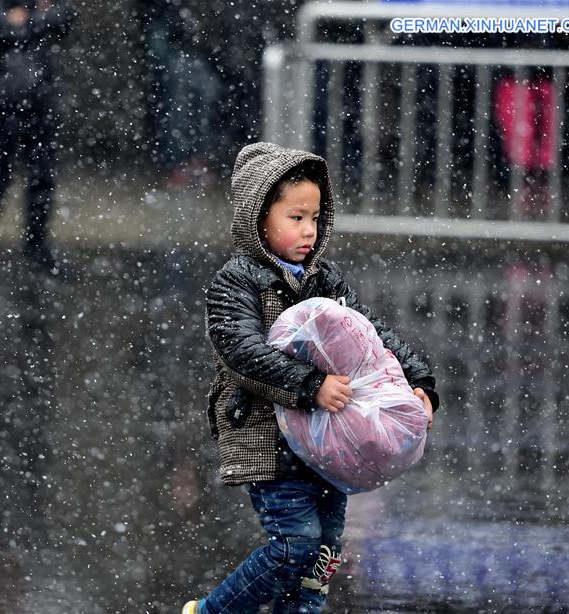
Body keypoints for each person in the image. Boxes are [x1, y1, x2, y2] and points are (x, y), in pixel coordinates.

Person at [182, 142, 440, 614]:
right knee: (293, 546)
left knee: (320, 559)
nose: (308, 230)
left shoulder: (325, 278)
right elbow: (241, 351)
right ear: (259, 218)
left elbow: (372, 336)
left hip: (334, 442)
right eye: (295, 217)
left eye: (315, 218)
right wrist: (309, 385)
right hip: (269, 435)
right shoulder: (236, 282)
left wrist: (418, 381)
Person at [0, 0, 76, 272]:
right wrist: (37, 19)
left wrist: (27, 20)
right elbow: (1, 25)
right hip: (7, 97)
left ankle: (36, 245)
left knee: (41, 174)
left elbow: (64, 17)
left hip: (41, 97)